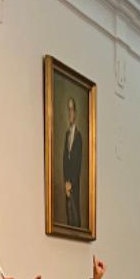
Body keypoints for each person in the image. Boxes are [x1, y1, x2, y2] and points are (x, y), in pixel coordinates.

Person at [62, 97, 84, 228]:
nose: (70, 113)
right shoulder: (66, 135)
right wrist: (66, 181)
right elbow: (65, 159)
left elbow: (78, 164)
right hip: (67, 185)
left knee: (75, 217)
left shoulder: (79, 137)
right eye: (68, 110)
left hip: (74, 184)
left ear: (75, 113)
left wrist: (72, 183)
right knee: (68, 215)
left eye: (72, 110)